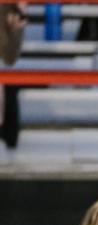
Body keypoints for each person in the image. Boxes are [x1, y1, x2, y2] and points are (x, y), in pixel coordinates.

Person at [1, 2, 27, 148]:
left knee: (9, 85)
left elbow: (9, 59)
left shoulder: (13, 12)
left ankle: (8, 136)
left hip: (8, 68)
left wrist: (15, 30)